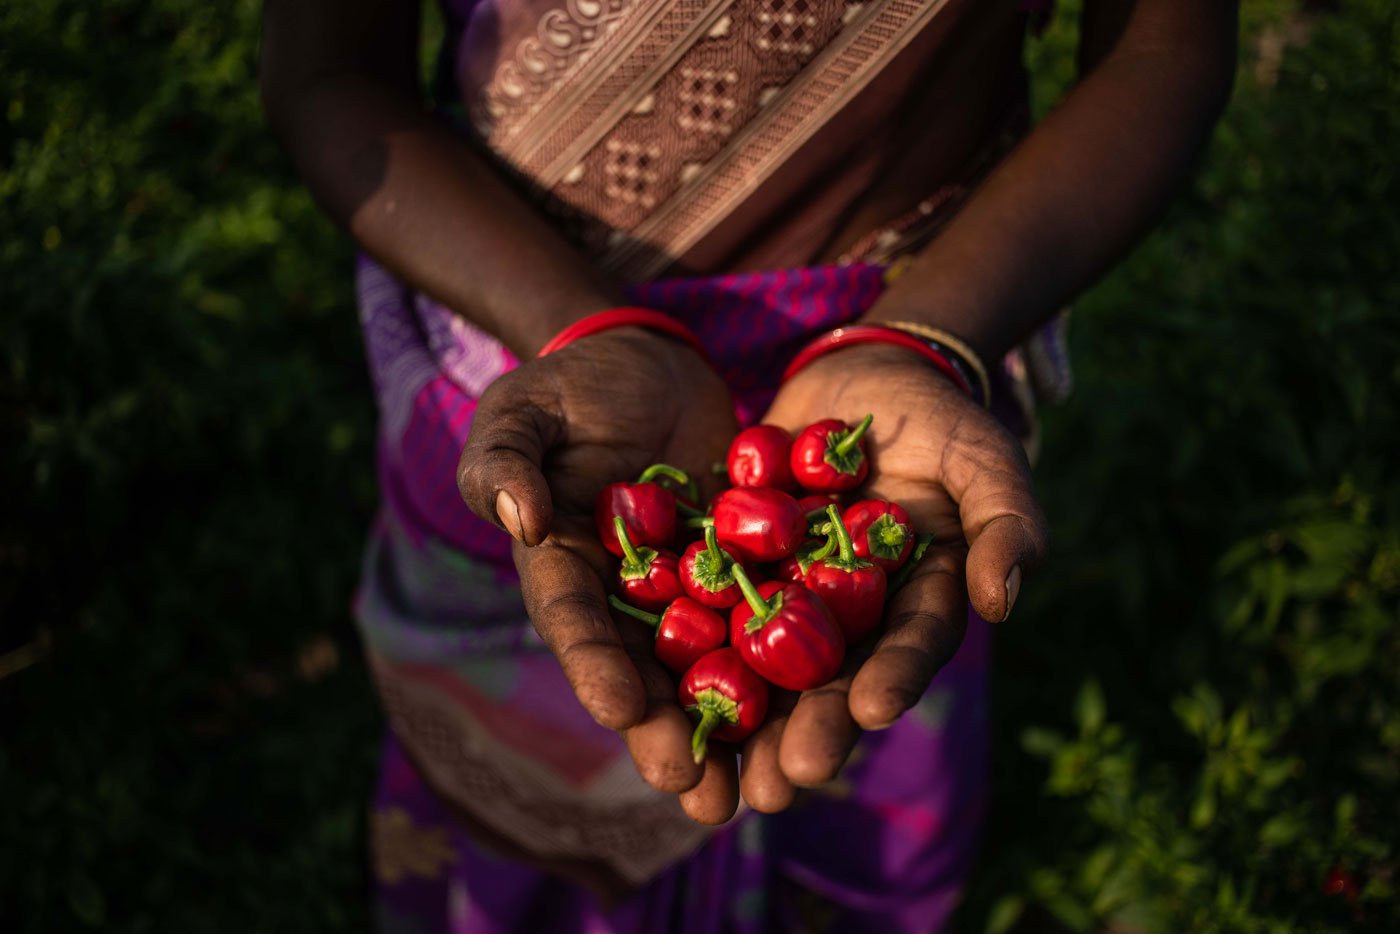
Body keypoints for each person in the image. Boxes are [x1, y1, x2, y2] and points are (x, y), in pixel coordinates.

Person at [261, 0, 1237, 929]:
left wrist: (924, 339)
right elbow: (329, 71)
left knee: (851, 723)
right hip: (524, 342)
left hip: (914, 320)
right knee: (541, 741)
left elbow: (1160, 46)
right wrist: (582, 324)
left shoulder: (841, 515)